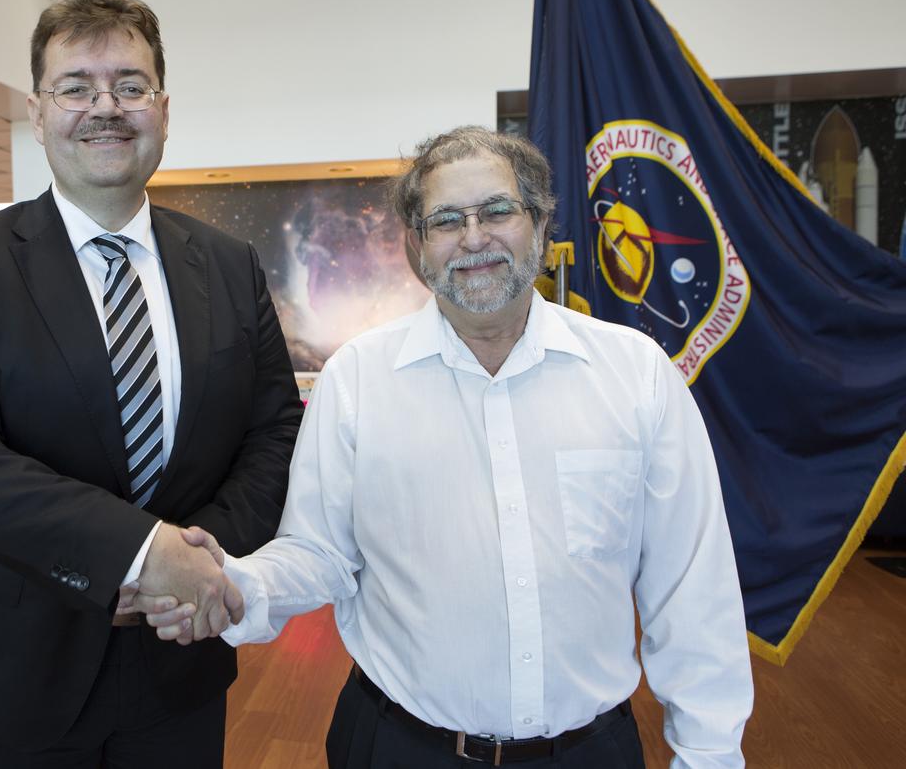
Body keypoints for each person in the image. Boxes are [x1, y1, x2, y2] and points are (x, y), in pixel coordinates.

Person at [143, 127, 754, 768]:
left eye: (497, 211)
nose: (474, 237)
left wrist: (710, 754)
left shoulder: (635, 374)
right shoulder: (357, 379)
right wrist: (237, 584)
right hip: (400, 747)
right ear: (417, 249)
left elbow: (692, 588)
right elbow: (319, 551)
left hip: (589, 750)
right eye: (445, 221)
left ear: (540, 225)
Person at [0, 0, 301, 767]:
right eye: (75, 86)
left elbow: (274, 429)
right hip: (15, 669)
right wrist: (145, 552)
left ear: (163, 109)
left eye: (130, 85)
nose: (105, 106)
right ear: (39, 114)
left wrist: (202, 556)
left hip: (182, 658)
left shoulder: (228, 263)